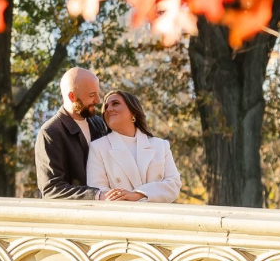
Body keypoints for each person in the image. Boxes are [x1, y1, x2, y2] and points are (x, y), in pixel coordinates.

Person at [86, 89, 182, 203]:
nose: (108, 109)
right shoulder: (98, 147)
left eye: (115, 103)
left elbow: (174, 185)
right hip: (120, 216)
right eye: (106, 107)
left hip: (157, 216)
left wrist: (138, 195)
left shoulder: (161, 145)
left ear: (133, 112)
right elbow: (99, 190)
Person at [34, 67, 110, 199]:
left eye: (97, 94)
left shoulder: (98, 123)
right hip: (73, 216)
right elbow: (52, 189)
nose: (98, 100)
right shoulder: (50, 133)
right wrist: (97, 195)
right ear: (72, 96)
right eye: (92, 95)